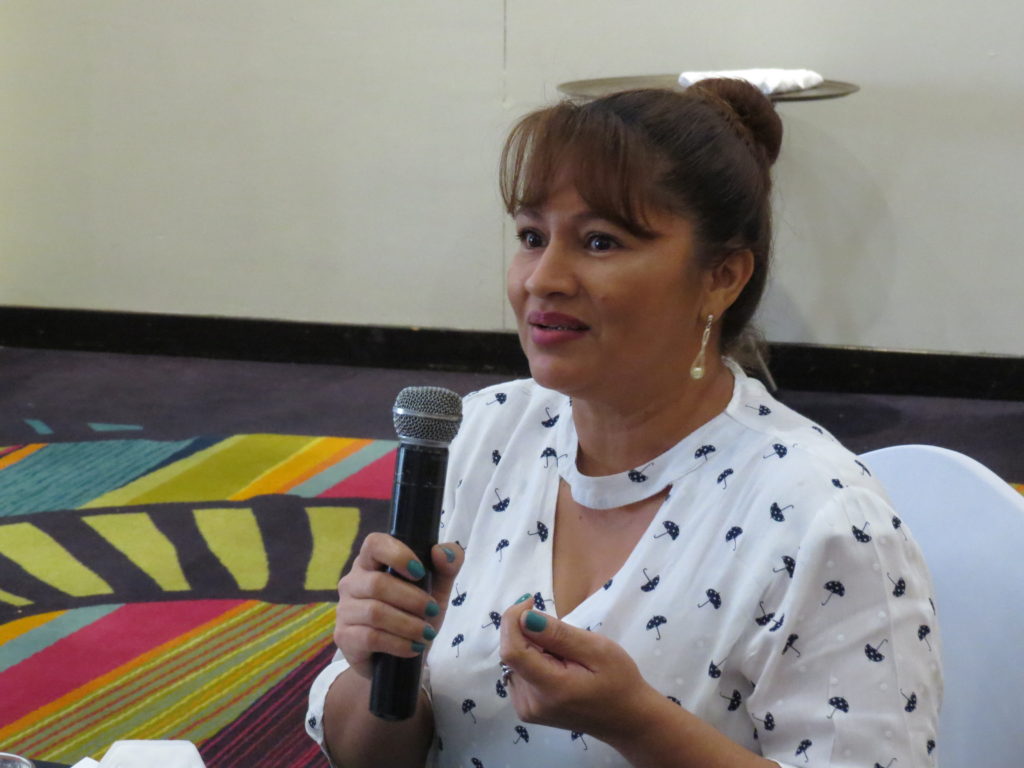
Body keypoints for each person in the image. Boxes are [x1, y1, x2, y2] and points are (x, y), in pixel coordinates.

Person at [306, 80, 942, 768]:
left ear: (722, 277)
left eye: (600, 242)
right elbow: (370, 756)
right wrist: (377, 671)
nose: (543, 278)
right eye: (531, 237)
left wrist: (639, 725)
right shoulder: (485, 433)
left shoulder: (821, 518)